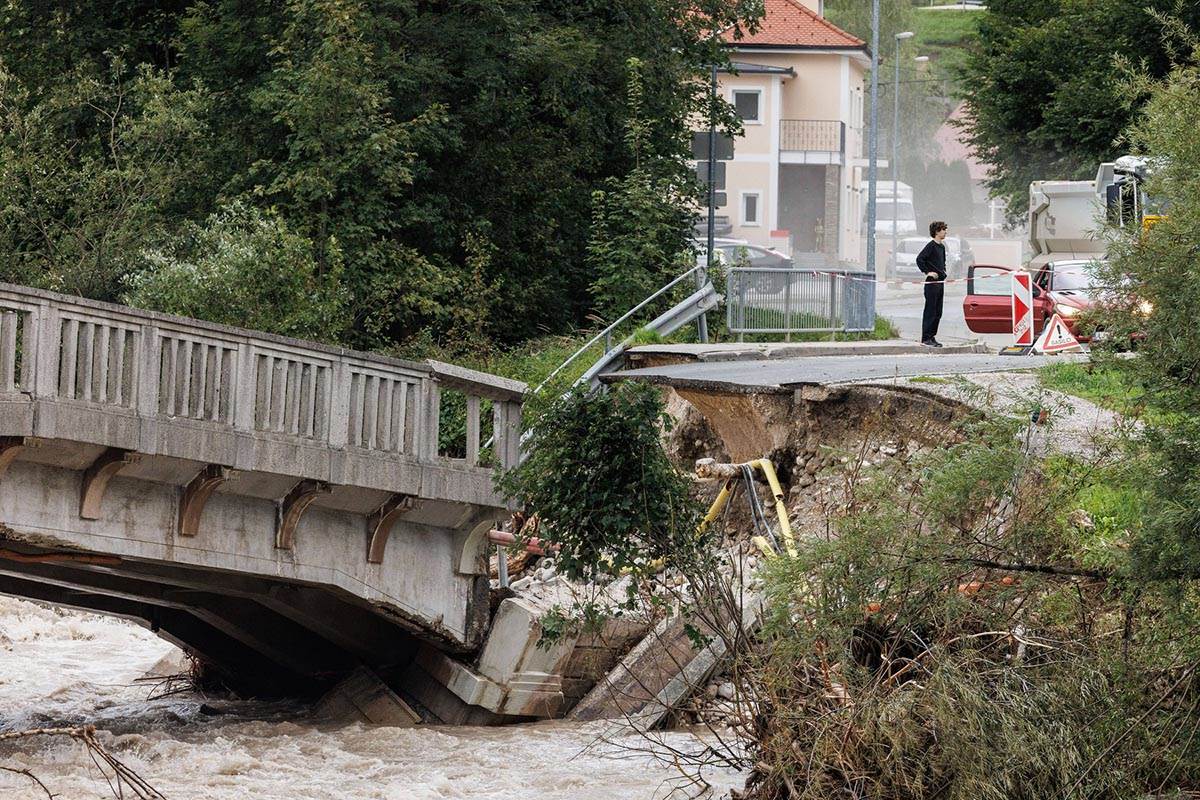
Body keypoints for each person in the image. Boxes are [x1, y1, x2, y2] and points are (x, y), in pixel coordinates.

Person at [916, 220, 948, 347]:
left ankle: (932, 336)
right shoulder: (931, 246)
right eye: (943, 229)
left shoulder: (942, 247)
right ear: (937, 231)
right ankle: (926, 337)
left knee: (938, 311)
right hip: (932, 283)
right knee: (930, 310)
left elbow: (942, 262)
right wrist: (927, 272)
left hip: (940, 282)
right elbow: (920, 259)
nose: (945, 232)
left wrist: (943, 270)